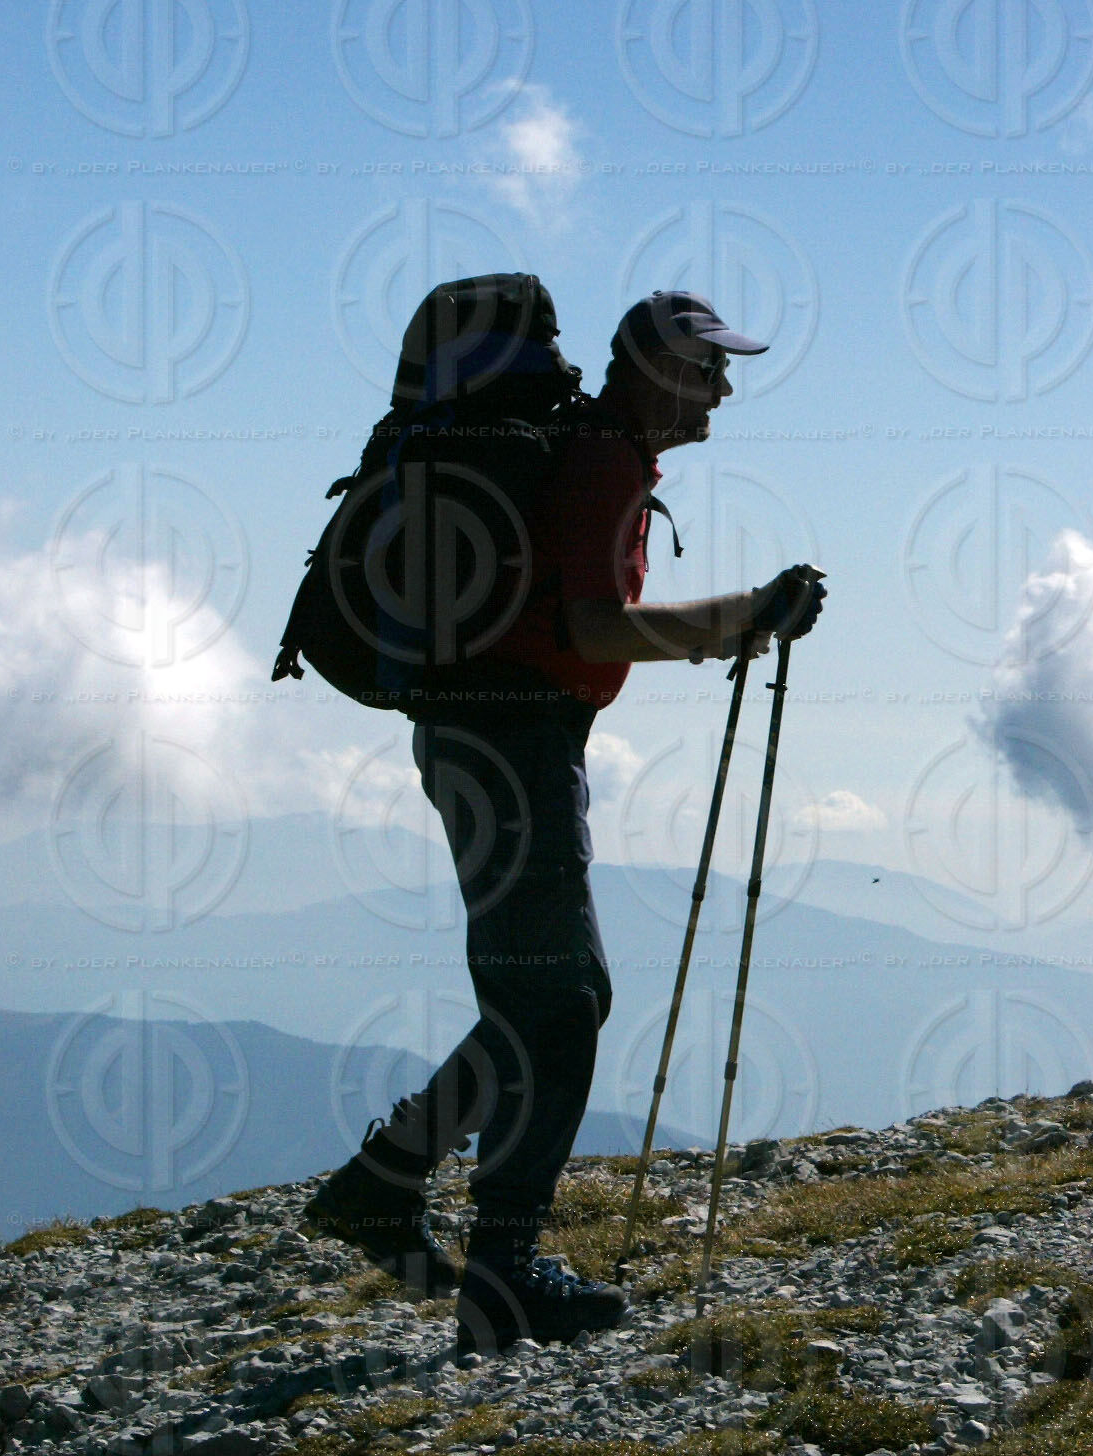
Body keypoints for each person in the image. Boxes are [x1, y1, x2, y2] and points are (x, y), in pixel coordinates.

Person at [301, 289, 827, 1355]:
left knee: (549, 996)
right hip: (513, 746)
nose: (724, 387)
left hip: (498, 740)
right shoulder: (599, 459)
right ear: (656, 367)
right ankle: (502, 1279)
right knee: (562, 1001)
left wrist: (734, 620)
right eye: (708, 367)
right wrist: (739, 616)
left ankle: (386, 1182)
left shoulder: (595, 451)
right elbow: (592, 622)